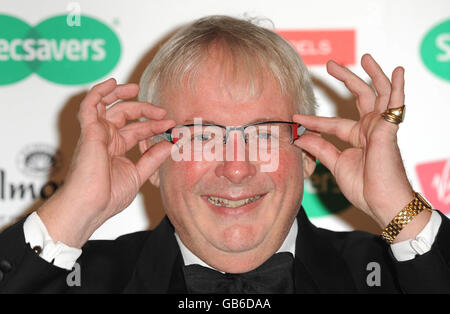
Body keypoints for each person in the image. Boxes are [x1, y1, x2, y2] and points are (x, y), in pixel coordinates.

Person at [0, 15, 449, 294]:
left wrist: (400, 210)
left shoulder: (397, 274)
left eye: (264, 134)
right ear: (153, 155)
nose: (236, 167)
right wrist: (74, 212)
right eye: (201, 136)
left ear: (309, 154)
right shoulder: (77, 281)